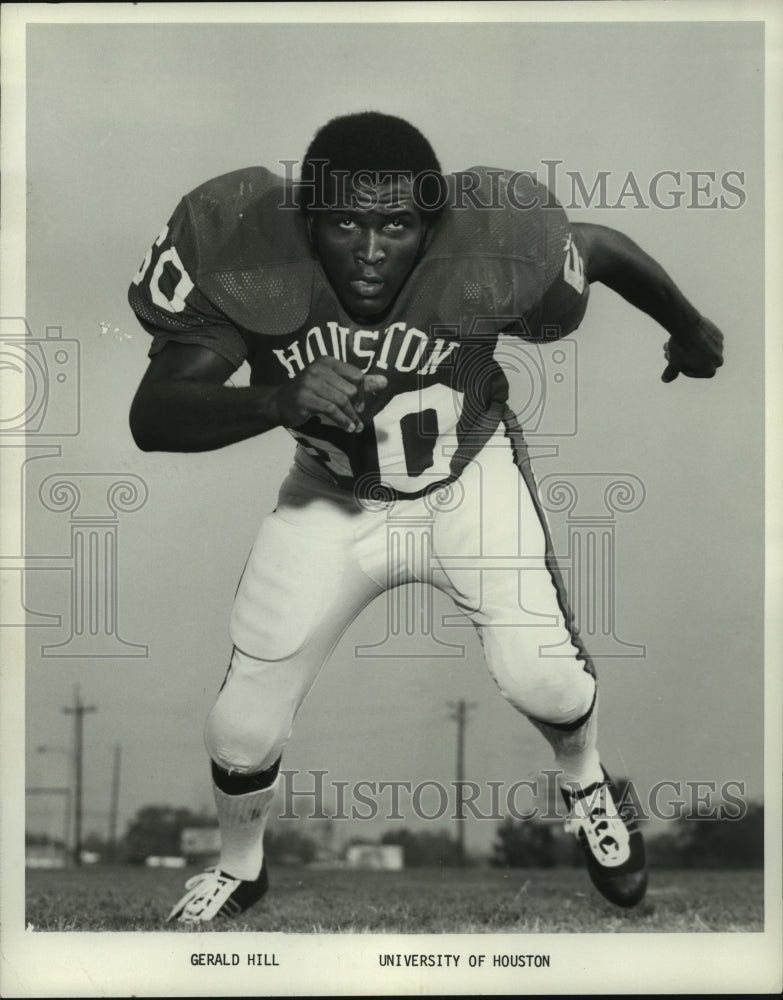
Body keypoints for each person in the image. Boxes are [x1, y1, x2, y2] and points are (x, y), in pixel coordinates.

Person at [128, 111, 723, 924]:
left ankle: (586, 782)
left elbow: (600, 248)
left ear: (432, 223)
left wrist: (686, 329)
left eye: (396, 226)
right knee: (238, 730)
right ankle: (242, 867)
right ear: (308, 220)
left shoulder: (491, 249)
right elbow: (152, 416)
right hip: (329, 500)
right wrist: (273, 398)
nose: (371, 252)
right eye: (346, 224)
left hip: (466, 482)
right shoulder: (250, 255)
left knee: (543, 676)